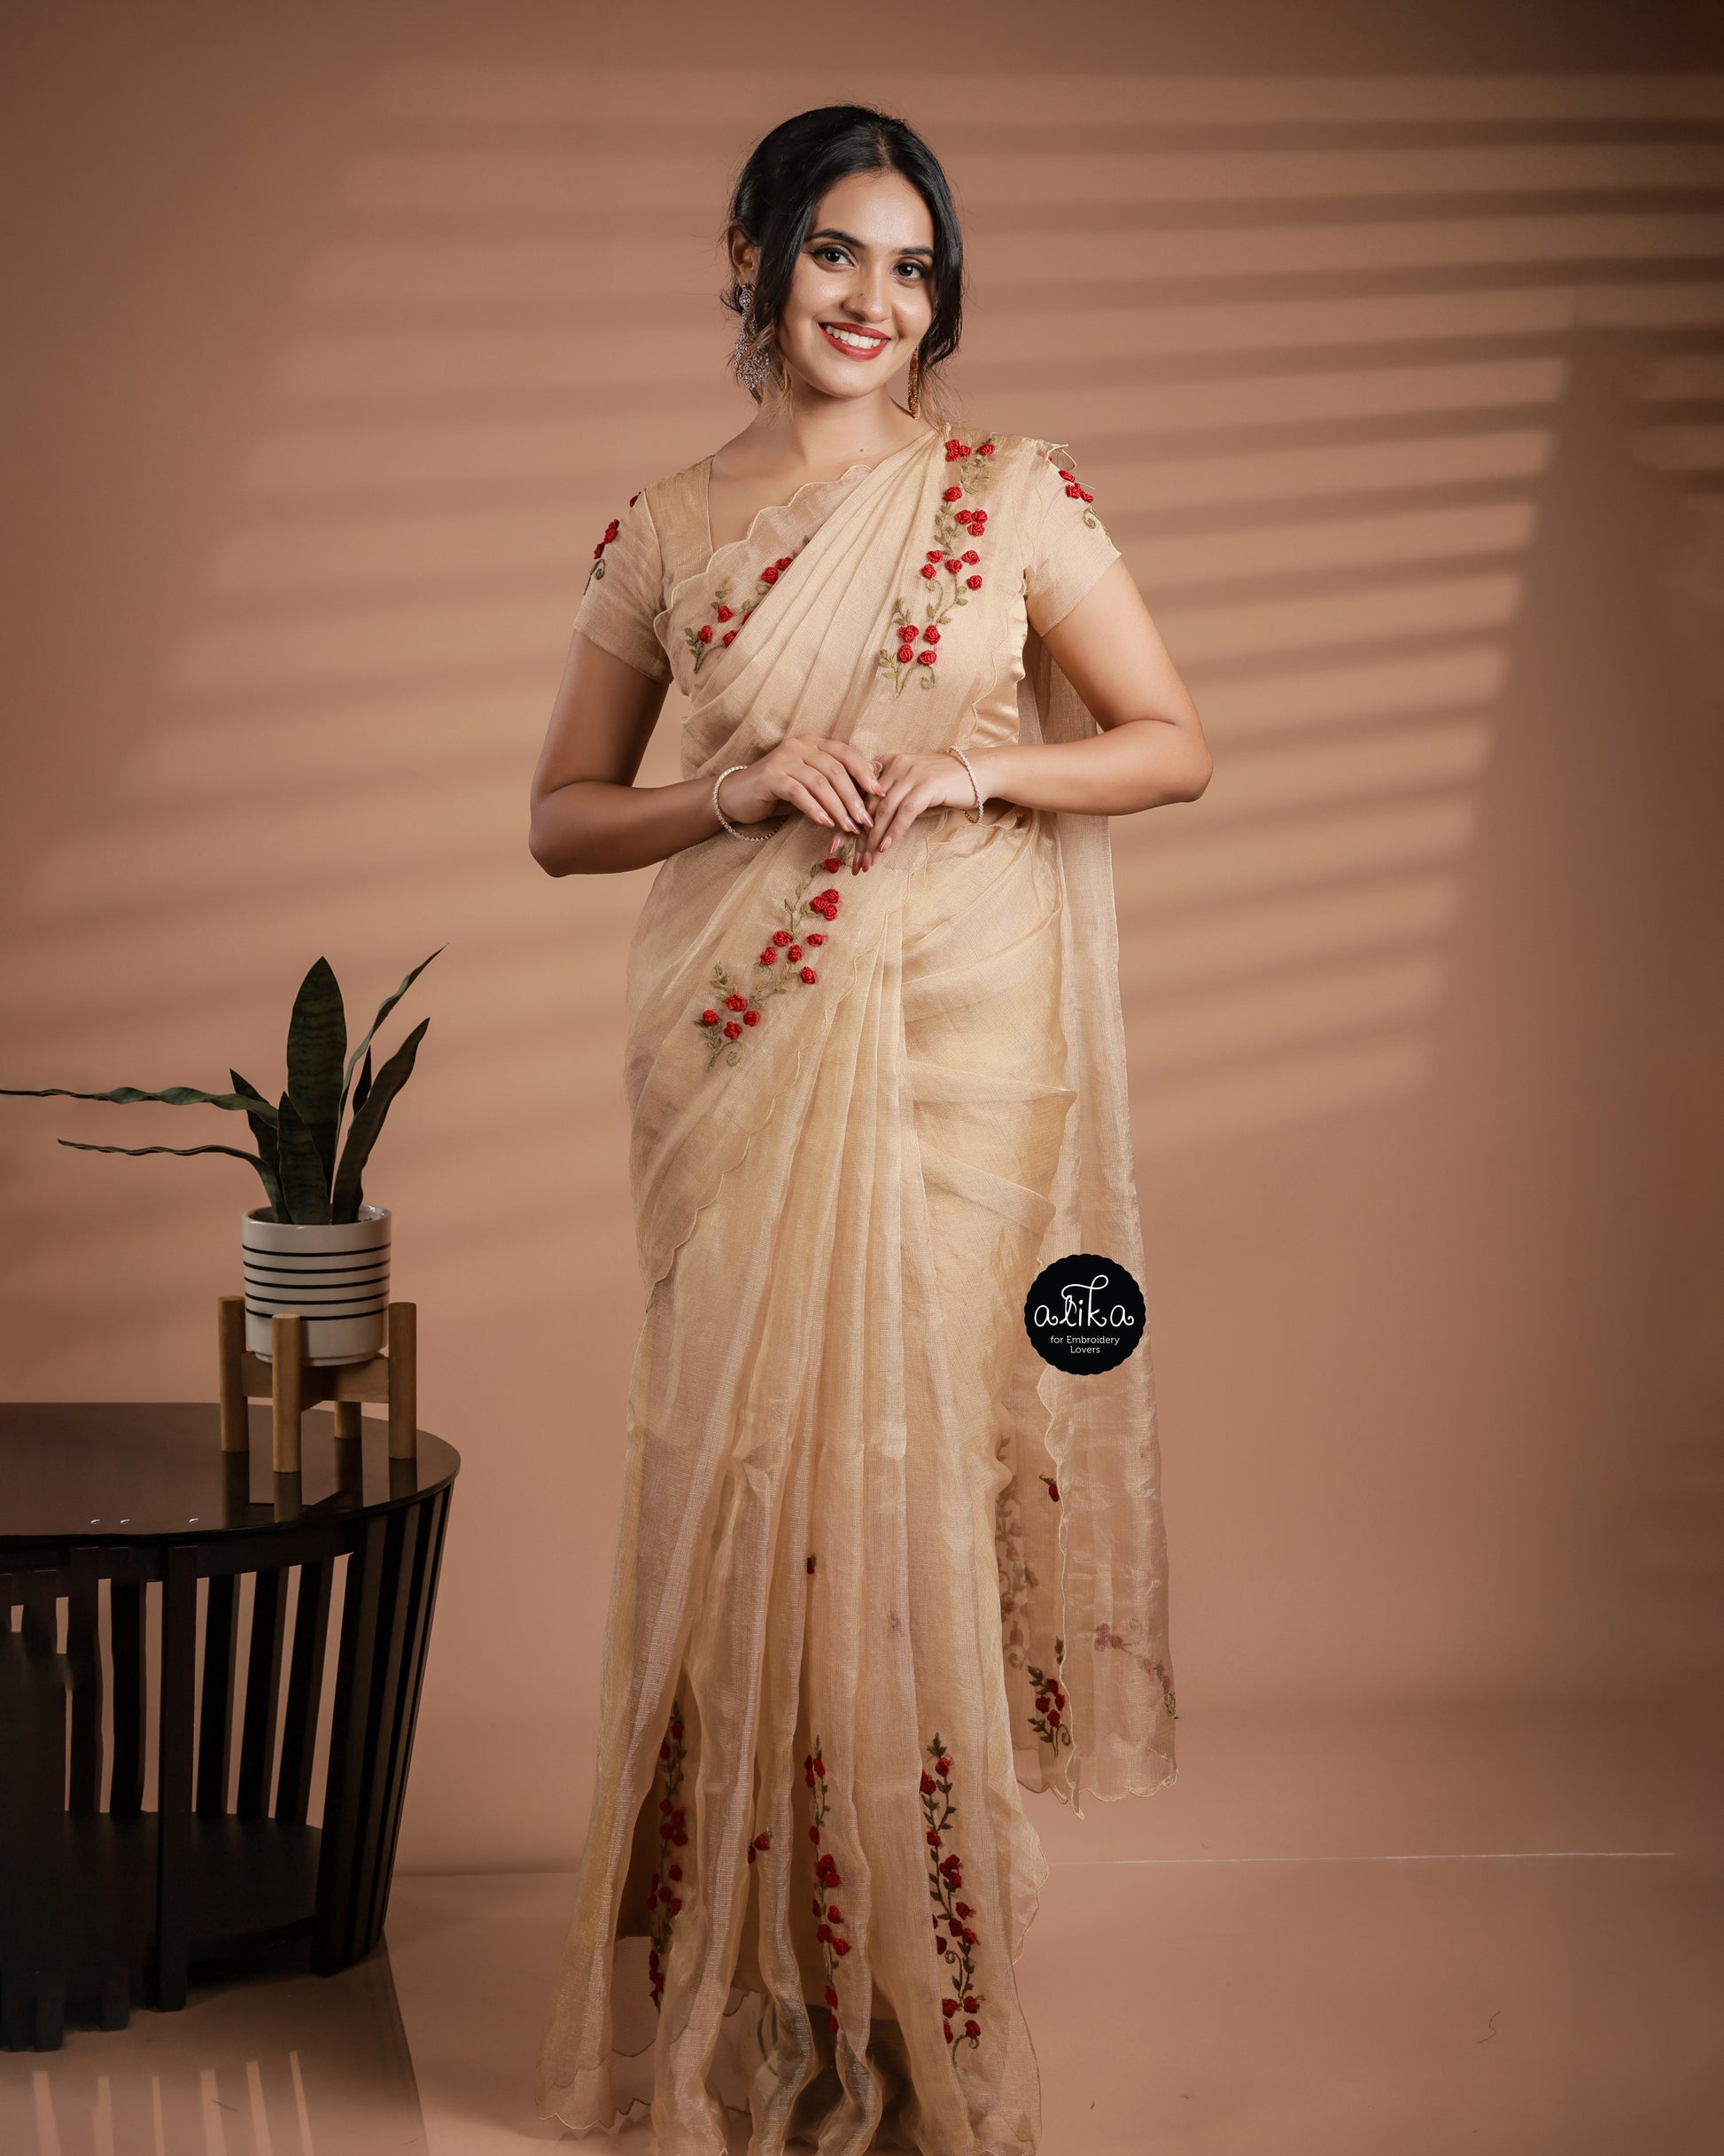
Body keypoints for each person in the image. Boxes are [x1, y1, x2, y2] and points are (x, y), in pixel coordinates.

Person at [527, 104, 1210, 2156]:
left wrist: (976, 779)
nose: (872, 300)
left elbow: (1169, 741)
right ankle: (763, 1997)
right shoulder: (666, 526)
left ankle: (919, 2010)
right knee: (753, 1490)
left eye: (911, 268)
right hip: (736, 1055)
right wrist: (735, 790)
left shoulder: (1009, 498)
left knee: (908, 1496)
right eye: (836, 251)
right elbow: (562, 815)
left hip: (952, 1074)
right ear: (752, 256)